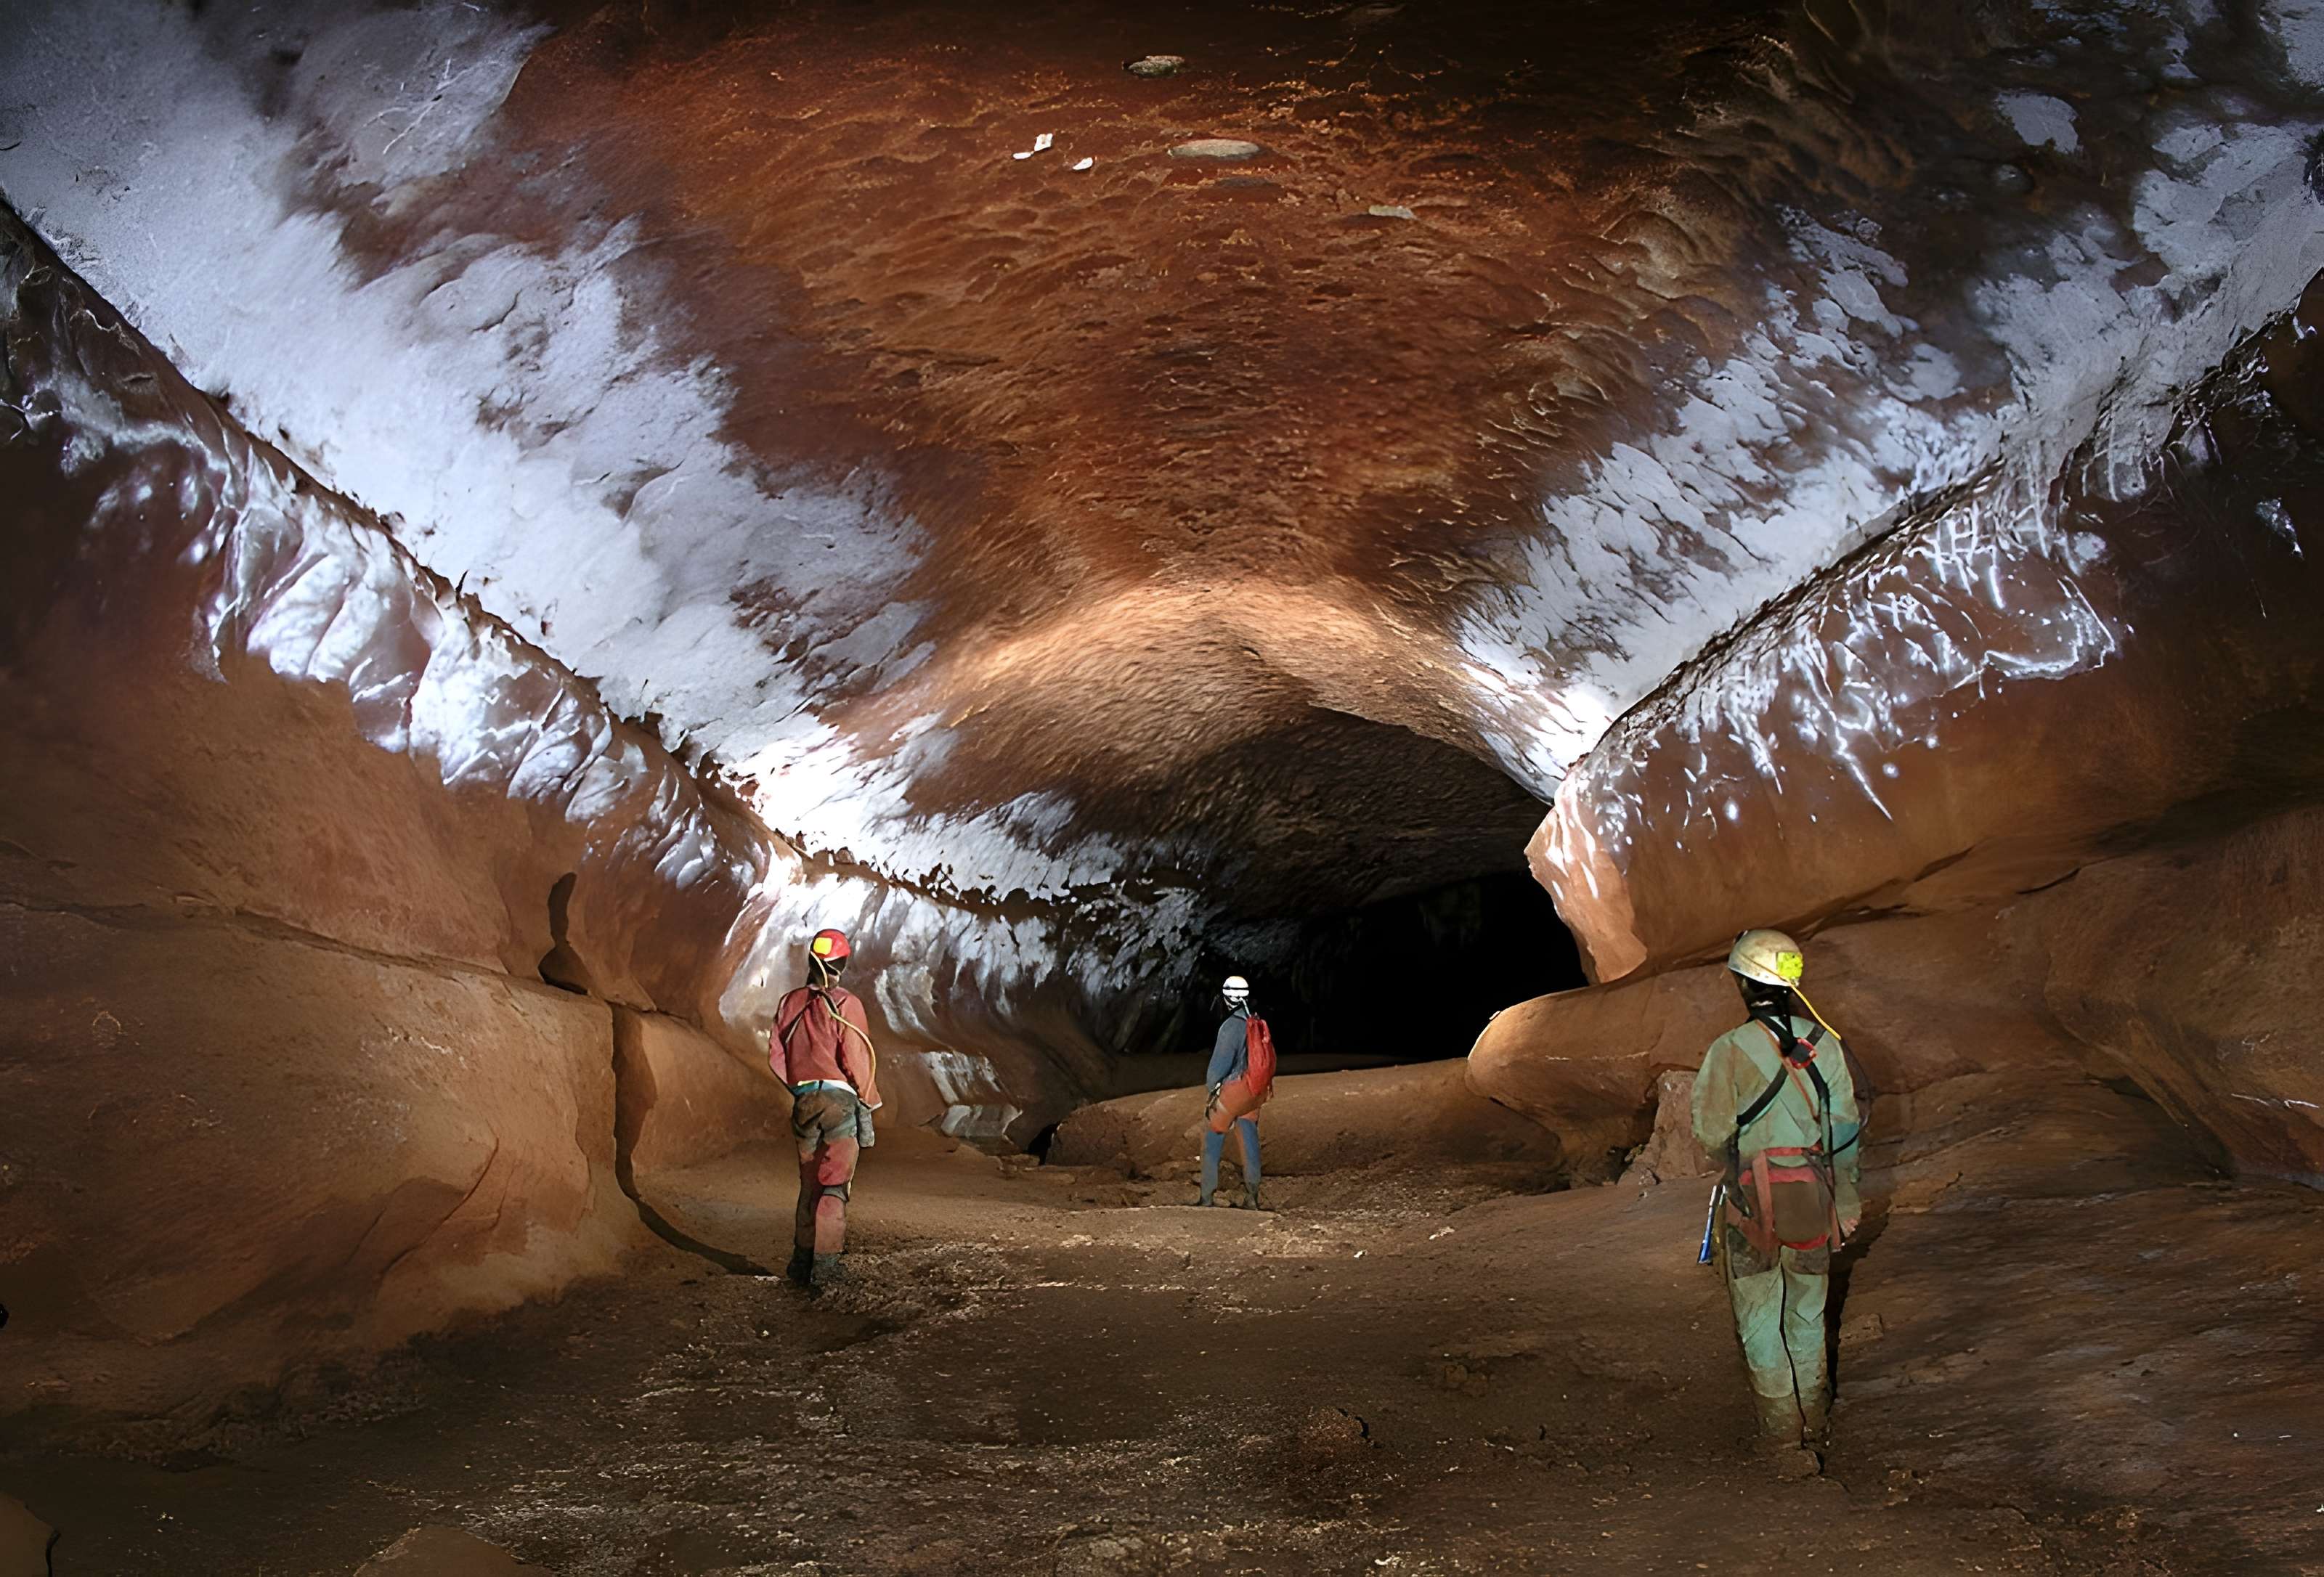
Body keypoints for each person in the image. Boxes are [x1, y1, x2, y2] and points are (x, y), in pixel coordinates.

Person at [1690, 928, 1864, 1466]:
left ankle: (1781, 1434)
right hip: (1813, 1196)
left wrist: (1737, 1153)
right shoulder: (1825, 1045)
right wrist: (1849, 1199)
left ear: (1743, 983)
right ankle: (1818, 1419)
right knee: (1809, 1312)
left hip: (1751, 1202)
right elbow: (1844, 1130)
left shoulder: (1729, 1051)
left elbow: (1711, 1132)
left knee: (1760, 1314)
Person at [770, 928, 882, 1291]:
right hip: (838, 1102)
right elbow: (856, 1057)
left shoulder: (790, 1002)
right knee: (834, 1184)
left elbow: (776, 1054)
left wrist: (799, 1086)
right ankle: (827, 1267)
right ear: (843, 964)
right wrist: (867, 1100)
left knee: (808, 1185)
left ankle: (800, 1264)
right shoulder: (846, 1004)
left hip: (804, 1101)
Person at [1198, 974, 1267, 1209]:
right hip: (1254, 1092)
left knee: (1212, 1134)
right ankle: (1252, 1197)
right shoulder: (1256, 1023)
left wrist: (1212, 1091)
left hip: (1234, 1091)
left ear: (1228, 999)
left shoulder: (1231, 1028)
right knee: (1249, 1139)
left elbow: (1217, 1070)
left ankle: (1207, 1197)